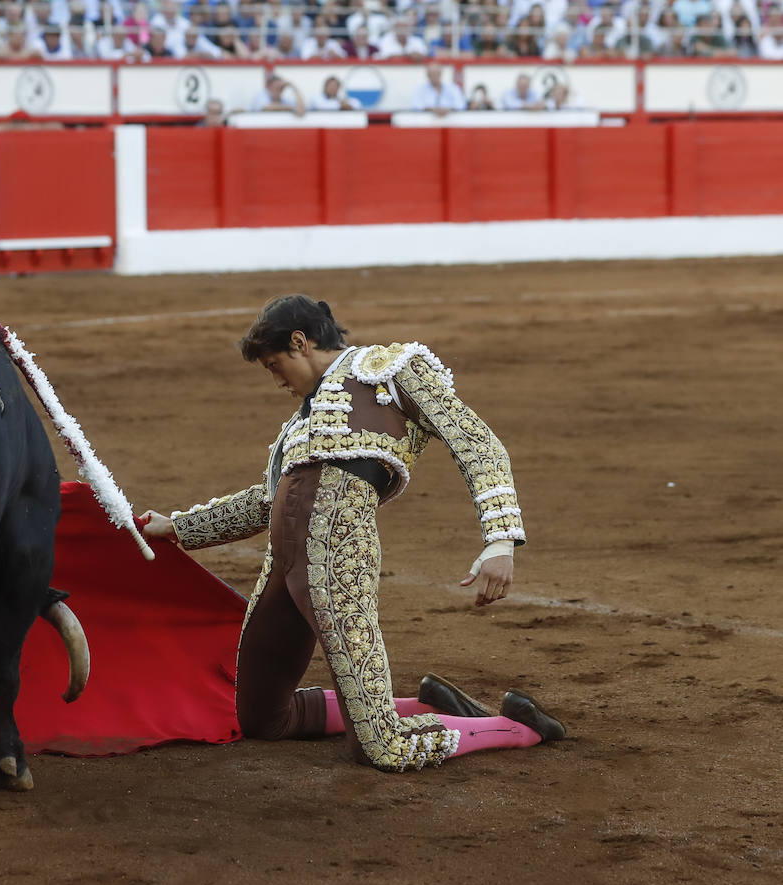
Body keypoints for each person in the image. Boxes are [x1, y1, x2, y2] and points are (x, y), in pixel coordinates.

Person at [140, 295, 565, 772]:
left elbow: (477, 442)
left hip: (338, 559)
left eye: (276, 364)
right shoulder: (298, 424)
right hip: (284, 568)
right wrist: (177, 527)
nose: (277, 379)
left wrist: (500, 540)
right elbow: (266, 501)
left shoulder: (388, 370)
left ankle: (517, 728)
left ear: (300, 342)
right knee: (262, 717)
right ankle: (425, 707)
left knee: (382, 749)